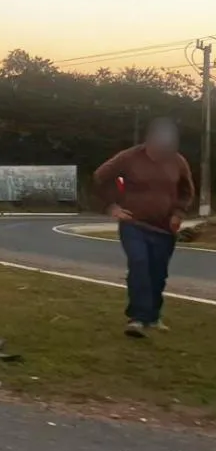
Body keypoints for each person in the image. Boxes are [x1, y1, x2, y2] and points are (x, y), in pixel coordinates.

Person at [92, 117, 194, 338]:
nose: (163, 151)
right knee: (139, 264)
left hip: (165, 228)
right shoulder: (129, 158)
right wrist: (112, 207)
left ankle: (153, 316)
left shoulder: (178, 161)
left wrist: (178, 213)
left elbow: (186, 191)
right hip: (134, 224)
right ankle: (137, 318)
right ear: (149, 140)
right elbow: (101, 177)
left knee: (158, 273)